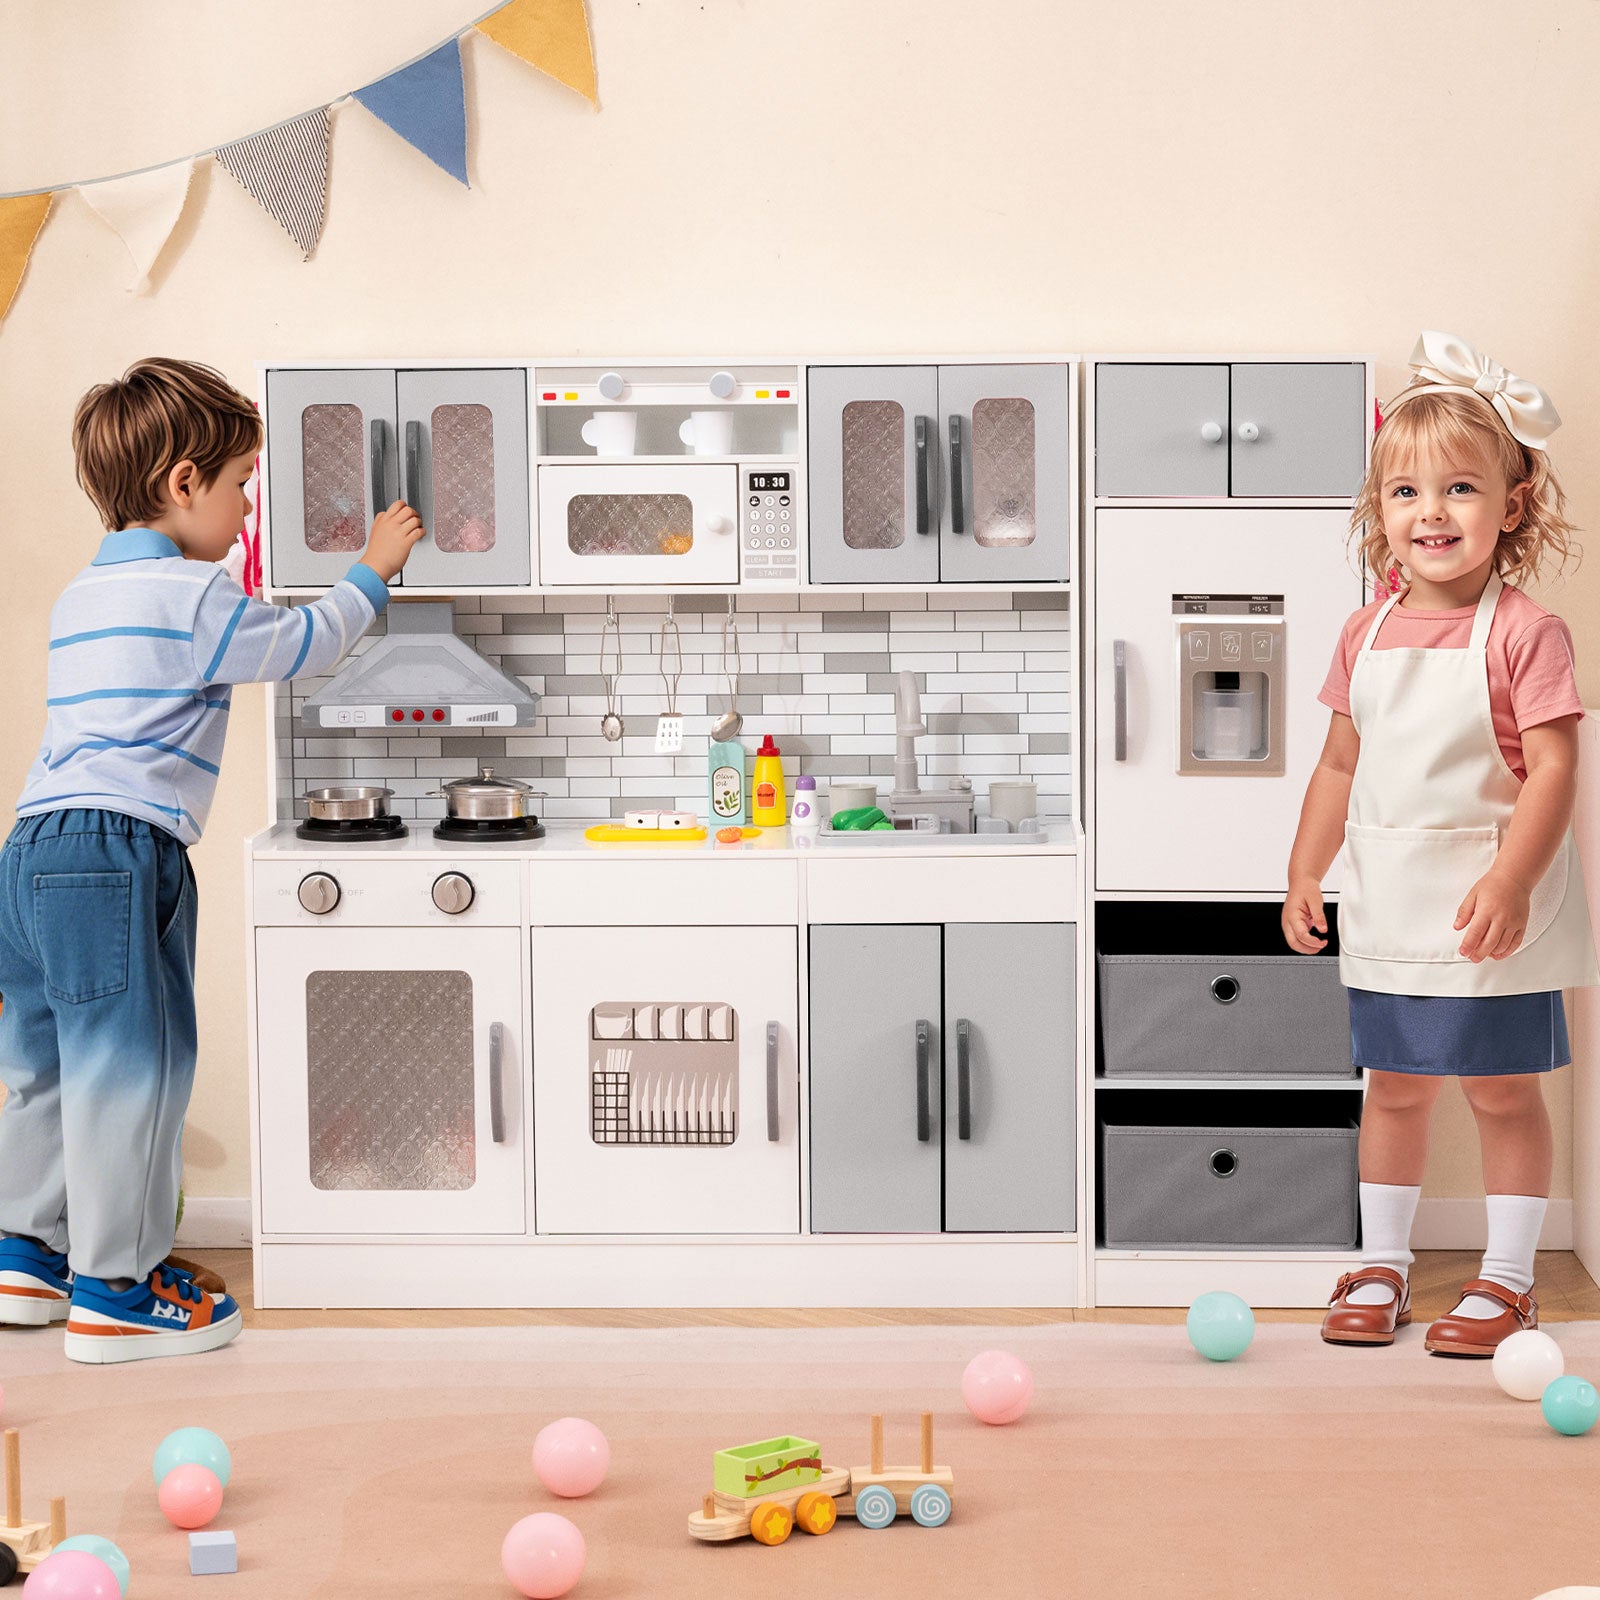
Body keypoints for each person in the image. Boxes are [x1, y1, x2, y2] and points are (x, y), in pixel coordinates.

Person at [0, 357, 425, 1362]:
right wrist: (372, 564)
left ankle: (26, 1251)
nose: (244, 511)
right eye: (240, 484)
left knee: (44, 1063)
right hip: (119, 851)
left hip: (30, 849)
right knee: (131, 1067)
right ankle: (117, 1285)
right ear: (182, 482)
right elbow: (307, 642)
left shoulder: (80, 597)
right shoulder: (191, 595)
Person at [1284, 332, 1600, 1355]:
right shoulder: (1361, 632)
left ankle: (1507, 1279)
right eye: (1406, 492)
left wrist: (1512, 877)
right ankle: (1383, 1261)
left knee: (1502, 1090)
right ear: (1379, 516)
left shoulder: (1525, 633)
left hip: (1488, 908)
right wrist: (1304, 869)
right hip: (1390, 900)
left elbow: (1553, 768)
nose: (1431, 513)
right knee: (1394, 1085)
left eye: (1459, 488)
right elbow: (1339, 765)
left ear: (1508, 507)